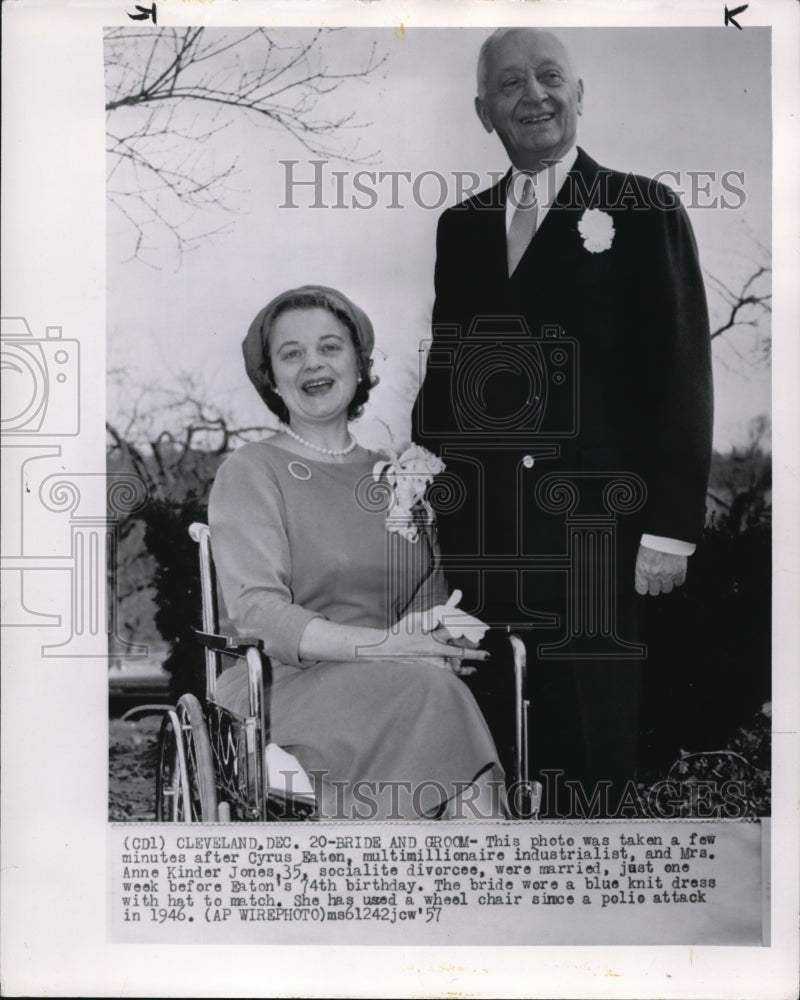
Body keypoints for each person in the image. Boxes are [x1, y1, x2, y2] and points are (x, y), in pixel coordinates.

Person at [411, 29, 714, 815]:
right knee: (496, 750)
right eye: (510, 85)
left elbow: (680, 374)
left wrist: (670, 529)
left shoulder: (644, 210)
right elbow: (450, 371)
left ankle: (592, 926)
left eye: (550, 77)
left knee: (592, 755)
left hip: (599, 538)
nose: (533, 96)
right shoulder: (462, 227)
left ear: (581, 94)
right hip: (487, 539)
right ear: (484, 112)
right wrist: (417, 468)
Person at [208, 285, 505, 820]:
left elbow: (428, 595)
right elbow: (260, 613)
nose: (312, 365)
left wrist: (444, 635)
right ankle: (472, 865)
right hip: (285, 686)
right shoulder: (251, 471)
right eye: (291, 353)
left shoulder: (396, 475)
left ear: (359, 362)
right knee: (432, 696)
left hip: (398, 677)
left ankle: (454, 870)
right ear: (271, 377)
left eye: (329, 347)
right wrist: (386, 647)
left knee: (437, 687)